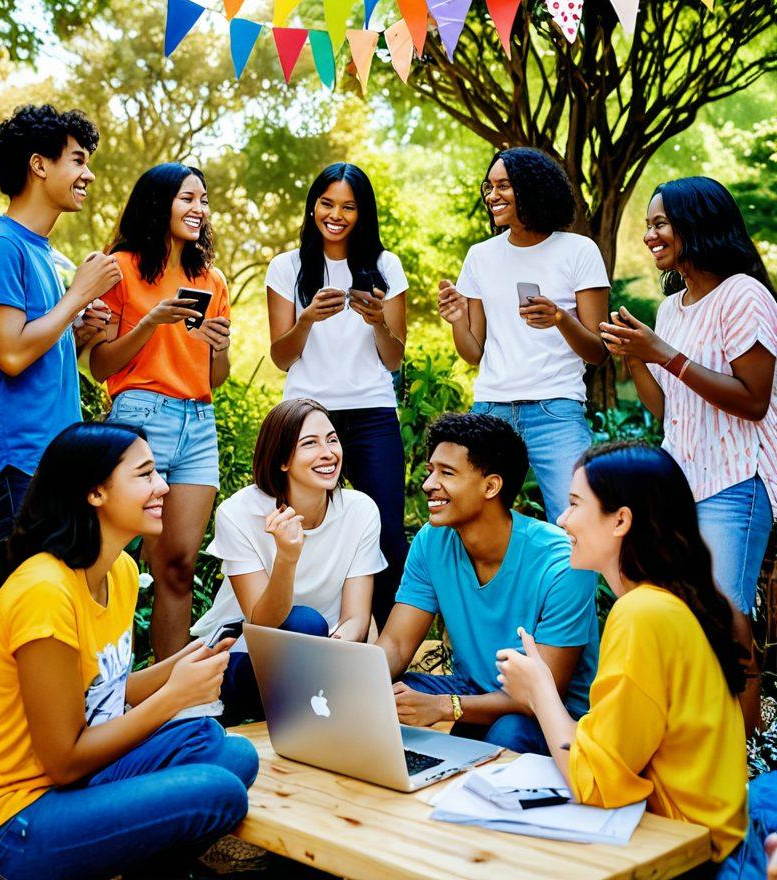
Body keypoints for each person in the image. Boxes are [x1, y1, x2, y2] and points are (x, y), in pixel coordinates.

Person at [0, 421, 258, 880]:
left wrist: (184, 665)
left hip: (67, 788)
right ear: (95, 493)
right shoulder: (45, 592)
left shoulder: (121, 573)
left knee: (230, 753)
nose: (164, 486)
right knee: (216, 791)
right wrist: (173, 698)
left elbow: (103, 691)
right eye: (146, 474)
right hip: (7, 824)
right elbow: (65, 760)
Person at [495, 441, 748, 868]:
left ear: (621, 521)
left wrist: (539, 691)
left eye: (575, 504)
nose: (562, 519)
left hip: (691, 855)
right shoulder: (668, 602)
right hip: (710, 839)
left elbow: (595, 783)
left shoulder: (642, 612)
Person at [600, 177, 776, 730]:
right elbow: (665, 409)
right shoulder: (672, 307)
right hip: (682, 482)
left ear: (698, 222)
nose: (650, 235)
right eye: (648, 225)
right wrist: (634, 358)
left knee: (727, 618)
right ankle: (697, 737)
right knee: (685, 614)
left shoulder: (744, 295)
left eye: (660, 223)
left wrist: (662, 354)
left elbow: (753, 400)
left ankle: (744, 753)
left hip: (737, 480)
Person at [0, 104, 121, 580]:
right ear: (39, 164)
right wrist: (77, 296)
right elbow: (10, 354)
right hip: (15, 459)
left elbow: (37, 343)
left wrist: (80, 327)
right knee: (35, 605)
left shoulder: (43, 254)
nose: (88, 175)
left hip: (52, 455)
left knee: (59, 602)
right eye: (78, 160)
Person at [374, 411, 599, 753]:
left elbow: (543, 694)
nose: (429, 484)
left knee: (508, 732)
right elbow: (396, 645)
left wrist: (443, 707)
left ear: (491, 486)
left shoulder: (563, 562)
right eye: (430, 470)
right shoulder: (432, 541)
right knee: (389, 694)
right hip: (472, 691)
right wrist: (356, 685)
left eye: (446, 473)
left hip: (552, 716)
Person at [89, 163, 231, 661]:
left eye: (204, 200)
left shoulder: (210, 279)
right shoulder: (119, 268)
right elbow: (101, 364)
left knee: (177, 566)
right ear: (158, 203)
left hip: (199, 423)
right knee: (108, 558)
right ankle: (103, 684)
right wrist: (152, 320)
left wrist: (218, 346)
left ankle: (172, 693)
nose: (199, 209)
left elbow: (216, 376)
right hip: (140, 417)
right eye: (187, 198)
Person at [266, 162, 408, 626]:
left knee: (386, 532)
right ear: (312, 208)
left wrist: (377, 322)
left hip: (371, 413)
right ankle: (302, 632)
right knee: (301, 529)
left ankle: (386, 651)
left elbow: (394, 359)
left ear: (362, 214)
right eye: (327, 203)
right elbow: (282, 358)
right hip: (308, 414)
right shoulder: (286, 266)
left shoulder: (386, 266)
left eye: (349, 206)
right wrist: (305, 319)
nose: (336, 215)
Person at [438, 148, 609, 524]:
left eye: (503, 186)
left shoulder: (579, 251)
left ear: (533, 189)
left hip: (556, 411)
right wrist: (456, 319)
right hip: (491, 410)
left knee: (578, 524)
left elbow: (598, 351)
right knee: (473, 523)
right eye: (489, 186)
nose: (491, 195)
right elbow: (473, 352)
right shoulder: (480, 256)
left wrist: (560, 318)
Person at [194, 398, 386, 726]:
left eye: (332, 439)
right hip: (241, 655)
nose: (328, 452)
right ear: (282, 459)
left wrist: (323, 659)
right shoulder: (239, 513)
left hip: (322, 655)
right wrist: (286, 557)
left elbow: (356, 617)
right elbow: (261, 622)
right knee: (304, 623)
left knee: (316, 634)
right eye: (310, 444)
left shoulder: (360, 510)